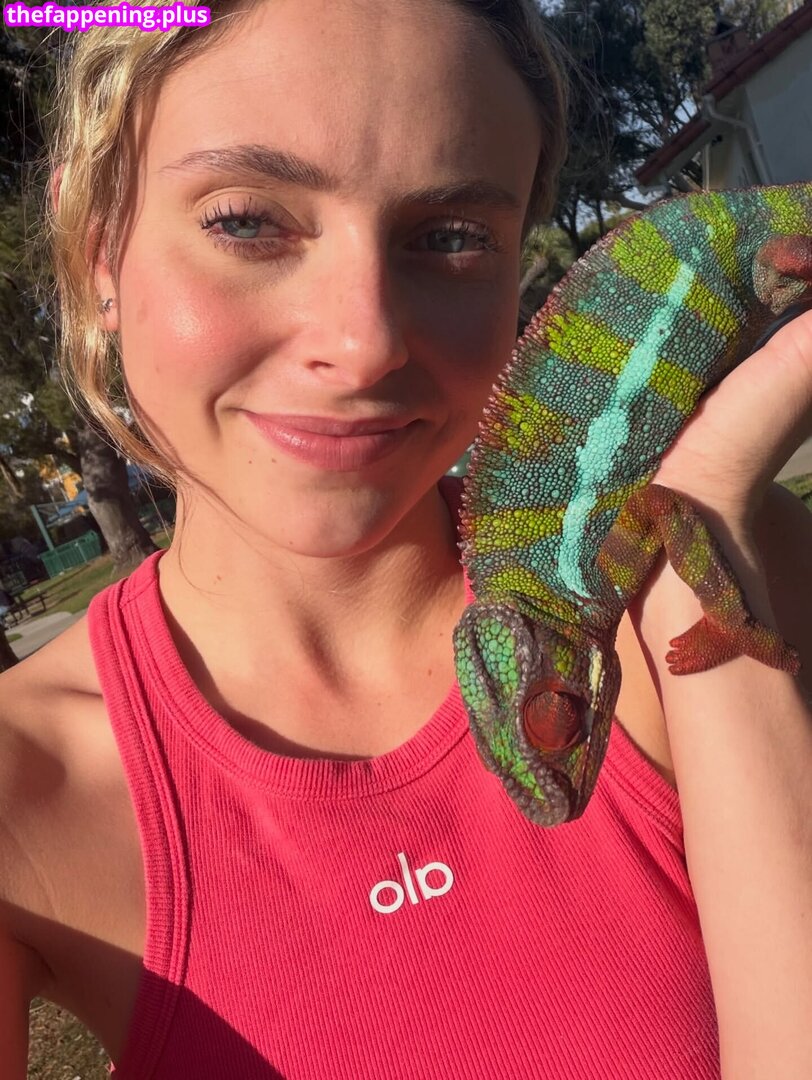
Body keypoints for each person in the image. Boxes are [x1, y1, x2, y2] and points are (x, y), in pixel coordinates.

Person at [1, 1, 810, 1077]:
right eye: (245, 222)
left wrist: (714, 525)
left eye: (452, 235)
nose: (364, 340)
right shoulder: (24, 786)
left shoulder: (714, 563)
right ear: (99, 245)